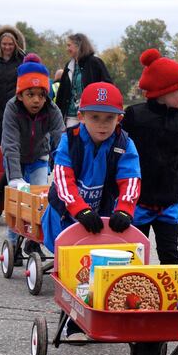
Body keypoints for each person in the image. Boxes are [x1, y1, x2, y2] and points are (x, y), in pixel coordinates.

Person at [42, 82, 141, 340]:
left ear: (118, 119)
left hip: (102, 212)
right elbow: (63, 179)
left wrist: (125, 209)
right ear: (82, 116)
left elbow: (130, 179)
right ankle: (74, 322)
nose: (102, 124)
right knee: (76, 270)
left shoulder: (123, 144)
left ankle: (107, 312)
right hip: (67, 214)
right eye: (95, 117)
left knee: (105, 265)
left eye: (109, 118)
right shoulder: (70, 140)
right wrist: (79, 210)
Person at [122, 49, 178, 264]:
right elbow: (123, 153)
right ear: (165, 91)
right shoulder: (135, 115)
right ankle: (131, 295)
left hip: (169, 202)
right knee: (132, 257)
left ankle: (172, 297)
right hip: (138, 201)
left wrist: (171, 175)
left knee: (170, 255)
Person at [1, 54, 65, 266]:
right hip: (15, 158)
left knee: (39, 200)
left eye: (41, 94)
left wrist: (63, 171)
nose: (37, 100)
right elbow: (10, 144)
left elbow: (60, 140)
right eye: (31, 94)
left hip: (38, 156)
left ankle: (34, 240)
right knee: (17, 199)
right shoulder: (12, 109)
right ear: (20, 95)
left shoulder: (52, 111)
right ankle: (12, 240)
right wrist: (16, 177)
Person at [54, 33, 112, 129]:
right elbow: (62, 92)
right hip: (70, 115)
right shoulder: (69, 66)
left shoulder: (95, 63)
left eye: (69, 45)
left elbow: (107, 86)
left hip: (90, 114)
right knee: (72, 141)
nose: (67, 49)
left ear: (79, 45)